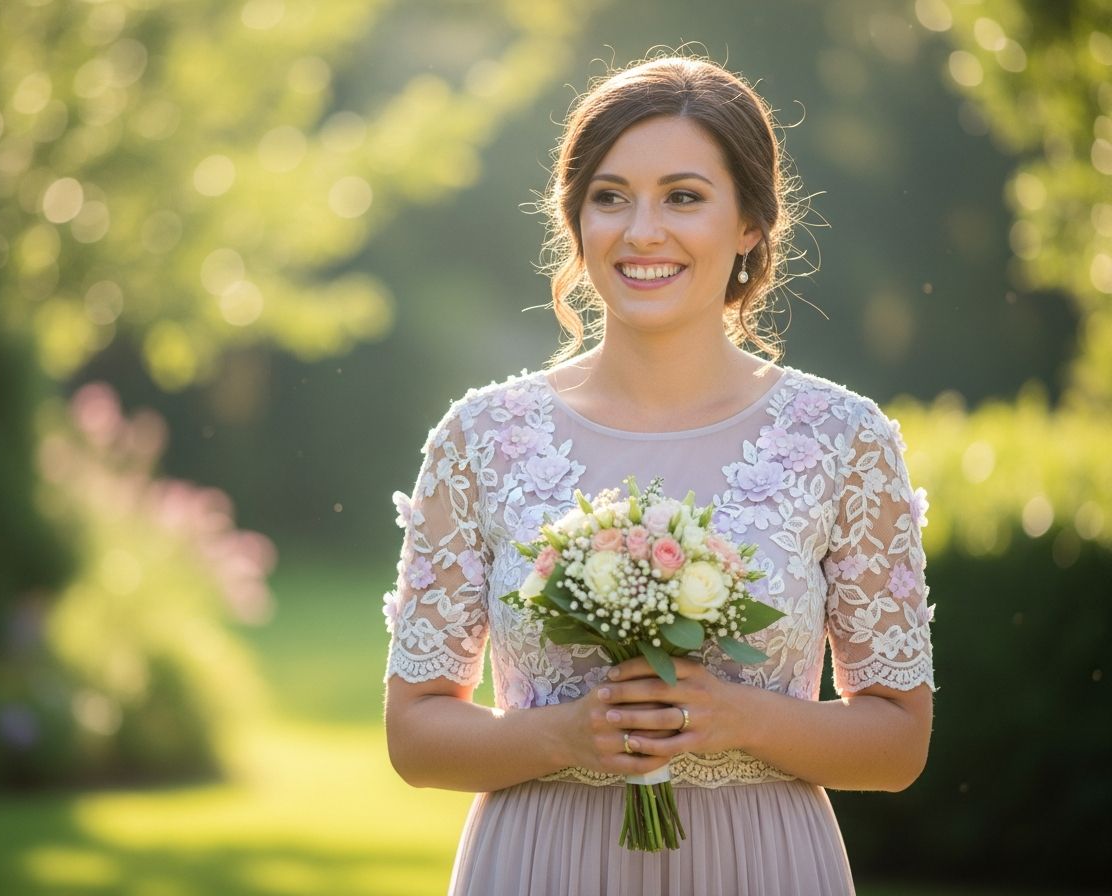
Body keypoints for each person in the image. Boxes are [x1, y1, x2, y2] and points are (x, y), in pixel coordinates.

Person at [381, 54, 934, 896]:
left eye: (683, 197)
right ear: (576, 220)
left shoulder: (843, 441)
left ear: (749, 223)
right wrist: (563, 736)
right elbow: (415, 736)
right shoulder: (480, 439)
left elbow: (897, 745)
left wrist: (738, 717)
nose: (641, 231)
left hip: (761, 866)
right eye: (610, 197)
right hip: (540, 865)